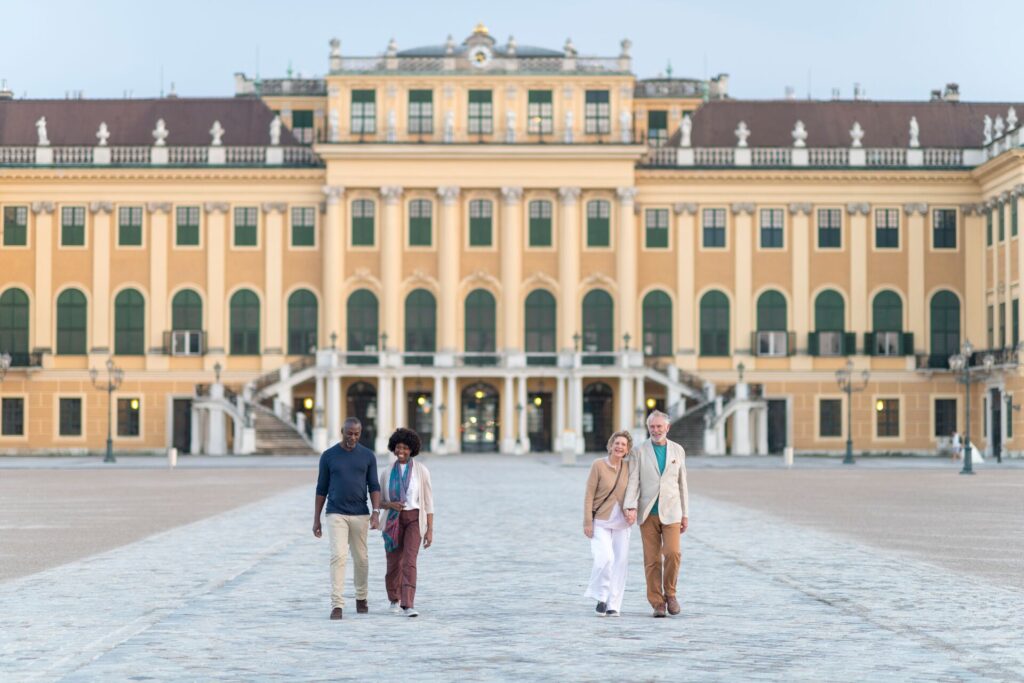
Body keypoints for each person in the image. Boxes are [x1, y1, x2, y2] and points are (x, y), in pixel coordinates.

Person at [313, 417, 381, 620]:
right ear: (342, 431)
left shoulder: (368, 456)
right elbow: (321, 488)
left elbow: (374, 486)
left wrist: (376, 512)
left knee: (361, 559)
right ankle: (337, 604)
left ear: (360, 434)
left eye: (356, 434)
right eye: (349, 433)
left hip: (360, 513)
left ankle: (361, 597)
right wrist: (316, 519)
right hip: (336, 513)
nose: (352, 437)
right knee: (338, 556)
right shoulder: (328, 456)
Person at [624, 410, 689, 618]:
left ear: (667, 428)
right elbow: (634, 480)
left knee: (673, 553)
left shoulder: (678, 450)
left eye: (659, 426)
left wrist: (685, 514)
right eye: (652, 426)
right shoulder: (639, 451)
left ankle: (670, 594)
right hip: (647, 512)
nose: (655, 430)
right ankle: (657, 602)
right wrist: (630, 506)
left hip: (672, 511)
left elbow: (682, 484)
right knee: (652, 560)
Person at [379, 427, 434, 617]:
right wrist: (389, 505)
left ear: (412, 449)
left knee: (409, 561)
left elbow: (428, 502)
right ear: (393, 449)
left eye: (405, 448)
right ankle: (394, 598)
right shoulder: (386, 472)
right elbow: (379, 501)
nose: (401, 452)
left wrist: (429, 530)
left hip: (414, 519)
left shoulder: (421, 471)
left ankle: (408, 603)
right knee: (393, 563)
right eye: (398, 448)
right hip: (393, 521)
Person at [583, 430, 633, 617]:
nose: (619, 447)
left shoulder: (628, 468)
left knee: (620, 563)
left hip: (622, 522)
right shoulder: (598, 465)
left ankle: (614, 604)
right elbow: (589, 495)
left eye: (623, 445)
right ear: (611, 445)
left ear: (627, 450)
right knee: (605, 558)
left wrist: (632, 510)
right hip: (600, 521)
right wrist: (587, 522)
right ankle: (601, 597)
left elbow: (634, 491)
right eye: (617, 443)